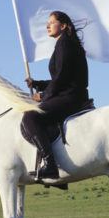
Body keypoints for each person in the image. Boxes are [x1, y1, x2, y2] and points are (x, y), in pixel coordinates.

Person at [22, 10, 90, 179]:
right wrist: (37, 84)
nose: (48, 26)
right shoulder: (65, 43)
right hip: (70, 94)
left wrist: (43, 95)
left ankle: (50, 165)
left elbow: (61, 79)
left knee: (30, 117)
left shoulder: (64, 44)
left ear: (64, 25)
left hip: (71, 97)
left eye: (52, 22)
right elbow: (60, 77)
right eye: (48, 23)